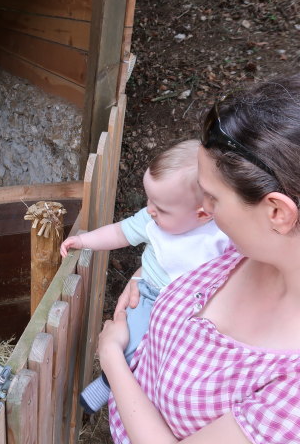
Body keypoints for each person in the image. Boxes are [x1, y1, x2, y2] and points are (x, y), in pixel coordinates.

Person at [101, 73, 300, 443]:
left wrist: (111, 357)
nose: (203, 210)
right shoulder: (243, 247)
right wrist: (144, 271)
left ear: (277, 212)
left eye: (213, 198)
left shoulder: (292, 395)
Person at [60, 139, 230, 414]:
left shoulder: (220, 234)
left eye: (160, 207)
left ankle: (152, 393)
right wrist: (83, 240)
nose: (149, 209)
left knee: (170, 359)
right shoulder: (152, 222)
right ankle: (107, 382)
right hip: (150, 295)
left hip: (195, 310)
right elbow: (119, 233)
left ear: (202, 213)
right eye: (149, 199)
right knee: (132, 339)